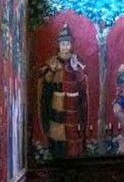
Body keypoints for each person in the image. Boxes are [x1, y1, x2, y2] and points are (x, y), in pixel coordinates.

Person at [37, 25, 88, 158]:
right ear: (59, 45)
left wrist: (76, 68)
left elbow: (82, 82)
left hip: (73, 104)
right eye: (62, 44)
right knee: (58, 133)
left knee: (72, 134)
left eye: (67, 44)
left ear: (71, 45)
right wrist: (51, 71)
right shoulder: (52, 62)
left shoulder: (76, 61)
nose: (65, 47)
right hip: (57, 104)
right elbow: (46, 82)